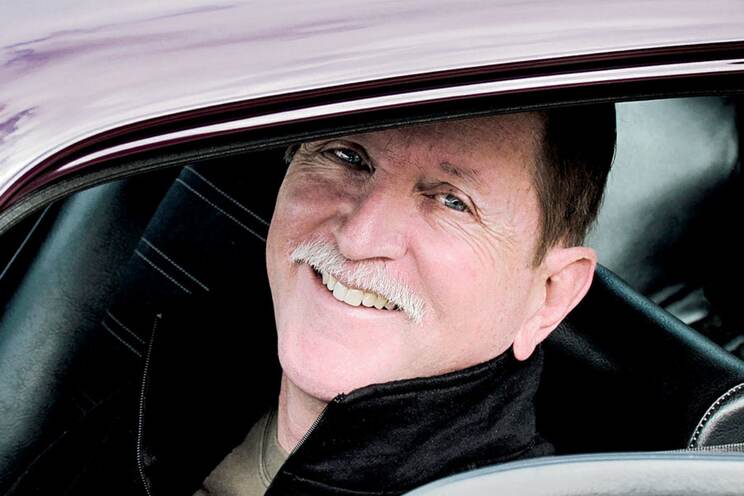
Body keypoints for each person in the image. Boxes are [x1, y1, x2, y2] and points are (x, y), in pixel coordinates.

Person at [195, 105, 616, 495]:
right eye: (348, 156)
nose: (358, 239)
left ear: (549, 297)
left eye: (452, 202)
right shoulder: (181, 345)